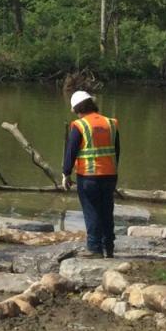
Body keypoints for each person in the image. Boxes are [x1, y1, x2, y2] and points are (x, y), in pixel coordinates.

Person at [62, 90, 120, 259]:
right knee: (107, 210)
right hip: (110, 174)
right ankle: (109, 247)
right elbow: (117, 151)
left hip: (89, 176)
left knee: (92, 211)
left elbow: (71, 151)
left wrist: (66, 173)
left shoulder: (80, 125)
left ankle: (94, 248)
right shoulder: (111, 123)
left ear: (76, 108)